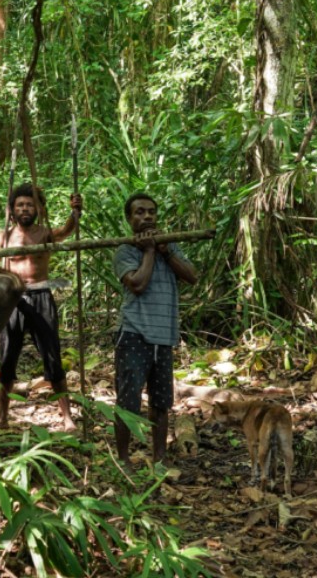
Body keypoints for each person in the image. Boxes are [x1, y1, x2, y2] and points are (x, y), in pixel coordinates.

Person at [0, 183, 82, 430]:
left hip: (41, 297)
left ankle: (67, 415)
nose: (25, 208)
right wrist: (9, 278)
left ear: (37, 208)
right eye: (20, 205)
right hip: (13, 300)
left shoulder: (44, 233)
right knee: (7, 360)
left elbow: (67, 231)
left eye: (29, 204)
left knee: (53, 357)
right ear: (12, 210)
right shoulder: (4, 237)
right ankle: (3, 416)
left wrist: (75, 213)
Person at [114, 192, 197, 470]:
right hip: (135, 332)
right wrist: (149, 251)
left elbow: (191, 276)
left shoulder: (169, 247)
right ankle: (123, 459)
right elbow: (137, 284)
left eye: (151, 212)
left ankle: (159, 457)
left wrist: (163, 250)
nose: (146, 217)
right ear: (129, 219)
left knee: (161, 402)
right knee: (129, 400)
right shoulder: (125, 250)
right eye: (139, 212)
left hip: (164, 335)